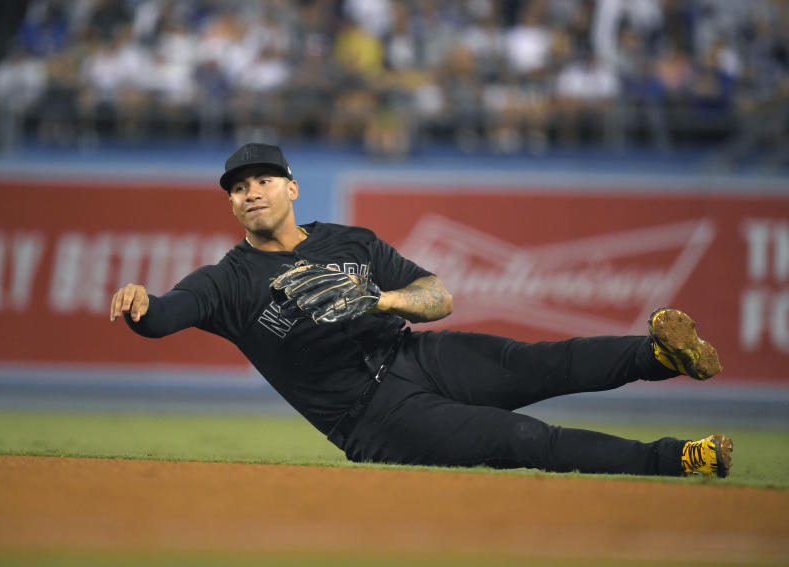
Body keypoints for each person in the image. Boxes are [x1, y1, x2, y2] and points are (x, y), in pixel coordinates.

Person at [110, 143, 732, 478]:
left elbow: (439, 296)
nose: (251, 193)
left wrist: (381, 298)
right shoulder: (229, 280)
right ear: (232, 206)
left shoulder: (349, 241)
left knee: (544, 363)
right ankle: (679, 458)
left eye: (263, 180)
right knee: (520, 439)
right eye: (238, 188)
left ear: (292, 188)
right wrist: (144, 307)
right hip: (373, 416)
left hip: (416, 353)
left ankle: (659, 353)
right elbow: (171, 313)